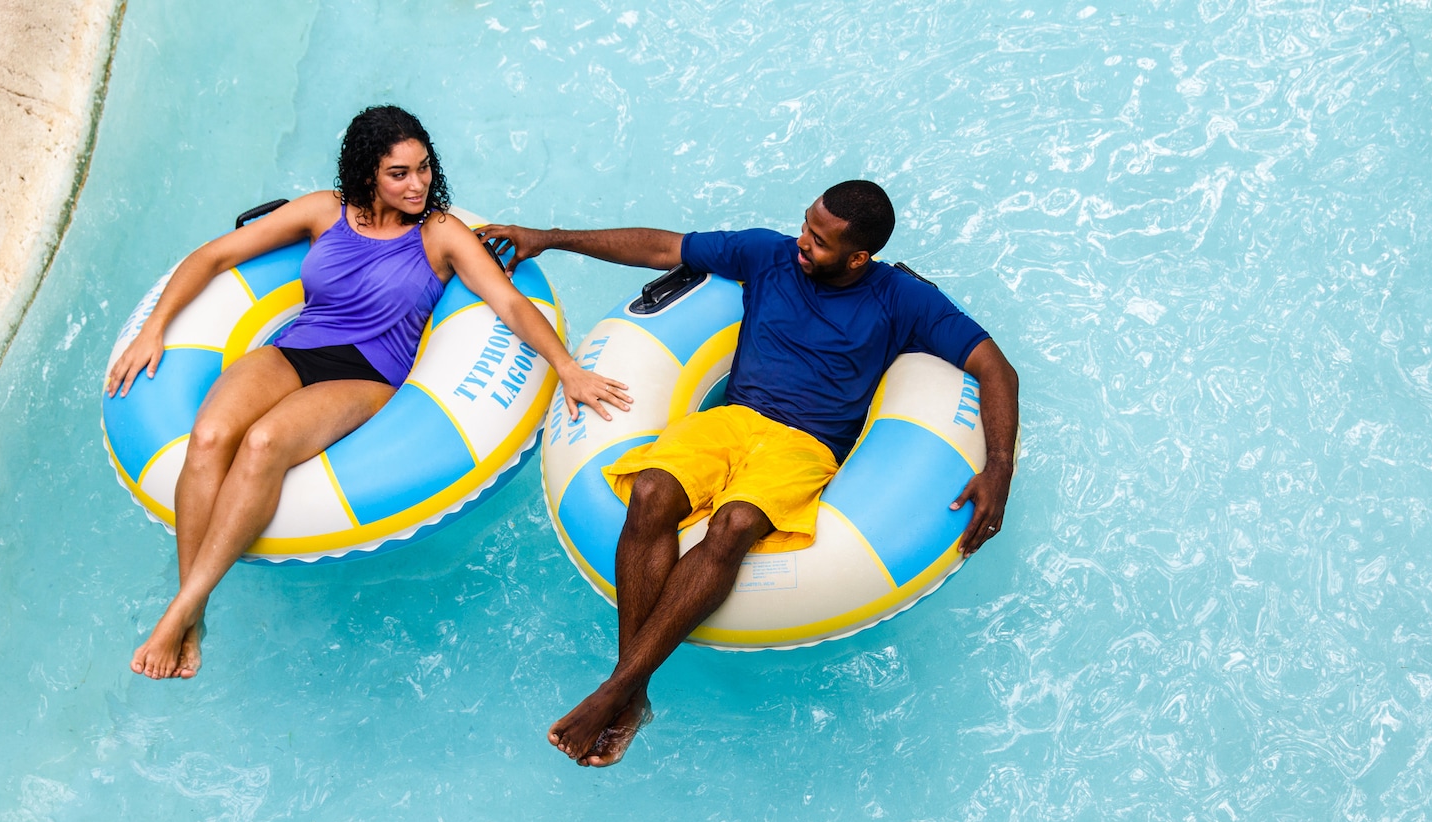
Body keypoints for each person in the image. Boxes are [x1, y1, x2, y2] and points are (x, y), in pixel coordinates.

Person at [479, 180, 1019, 767]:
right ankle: (628, 692)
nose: (801, 242)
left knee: (735, 524)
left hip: (807, 445)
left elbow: (995, 368)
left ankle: (616, 690)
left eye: (818, 239)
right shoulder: (768, 254)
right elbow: (663, 248)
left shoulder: (901, 299)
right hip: (733, 419)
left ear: (858, 257)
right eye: (805, 225)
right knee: (652, 491)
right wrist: (547, 239)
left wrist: (998, 471)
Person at [105, 105, 631, 681]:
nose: (418, 184)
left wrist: (566, 366)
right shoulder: (323, 211)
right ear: (366, 174)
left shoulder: (439, 234)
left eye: (424, 168)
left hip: (367, 375)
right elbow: (215, 256)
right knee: (207, 437)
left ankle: (178, 612)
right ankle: (194, 614)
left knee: (262, 444)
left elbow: (507, 304)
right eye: (399, 173)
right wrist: (155, 328)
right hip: (296, 349)